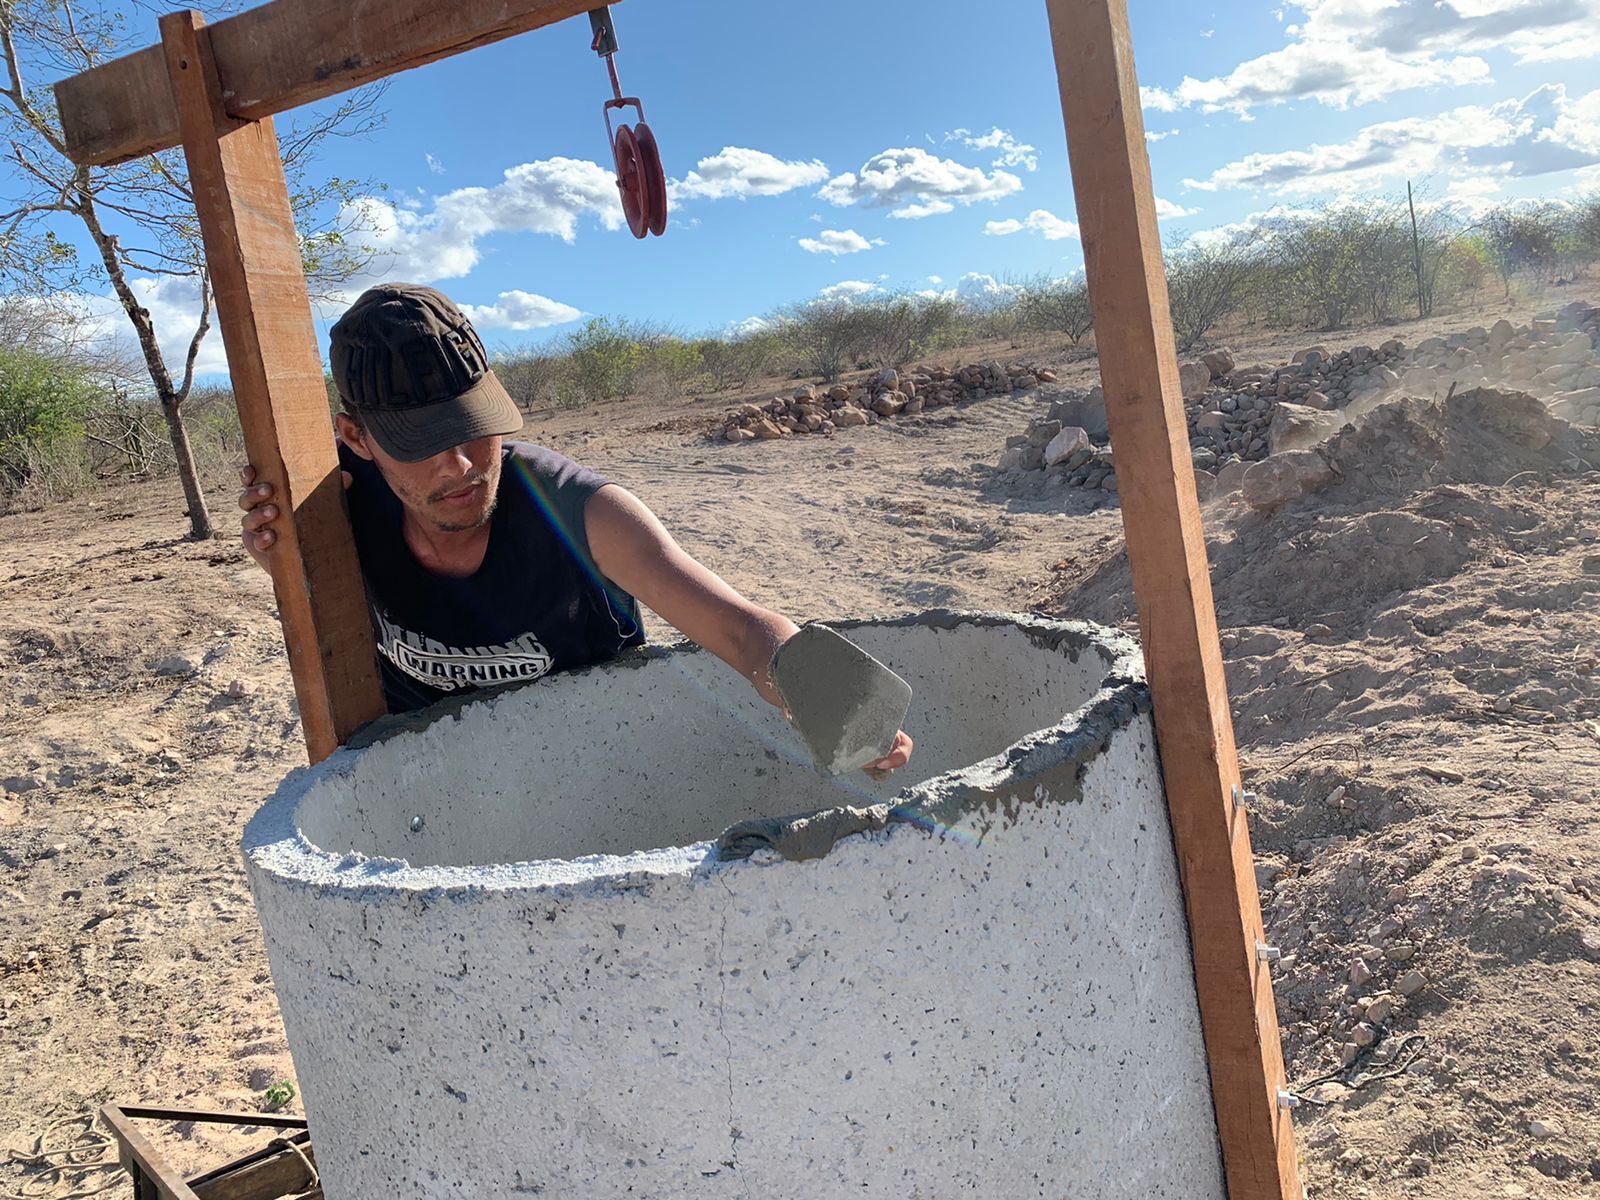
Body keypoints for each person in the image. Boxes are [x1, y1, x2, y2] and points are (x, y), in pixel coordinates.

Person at [238, 283, 912, 773]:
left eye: (474, 428)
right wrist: (289, 567)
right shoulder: (337, 519)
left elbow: (737, 626)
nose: (464, 463)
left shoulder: (576, 511)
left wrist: (833, 701)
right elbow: (334, 641)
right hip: (438, 781)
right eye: (422, 442)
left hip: (594, 773)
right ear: (356, 437)